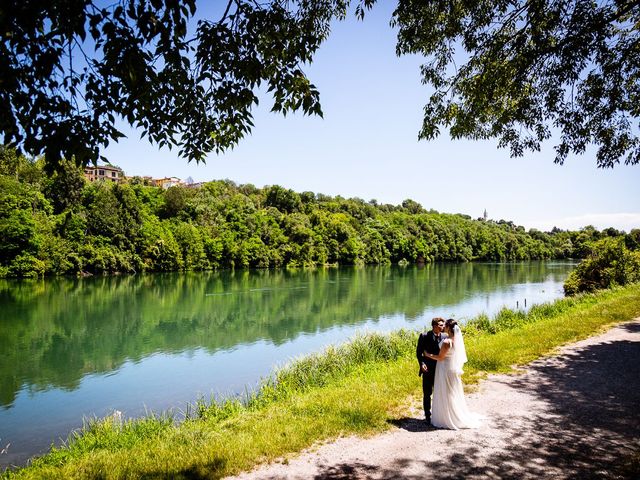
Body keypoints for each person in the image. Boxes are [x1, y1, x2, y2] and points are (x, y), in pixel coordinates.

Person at [424, 318, 483, 430]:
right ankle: (451, 413)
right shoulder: (454, 339)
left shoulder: (447, 342)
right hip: (451, 368)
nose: (442, 327)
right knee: (451, 392)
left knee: (445, 392)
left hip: (445, 369)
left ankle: (447, 417)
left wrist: (428, 355)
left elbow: (440, 357)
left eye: (444, 325)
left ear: (449, 328)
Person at [416, 317, 446, 423]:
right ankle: (427, 415)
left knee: (441, 392)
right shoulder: (424, 336)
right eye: (440, 325)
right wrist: (422, 364)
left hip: (441, 370)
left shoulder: (445, 336)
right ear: (434, 326)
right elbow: (419, 353)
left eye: (443, 325)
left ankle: (440, 415)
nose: (443, 327)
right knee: (427, 393)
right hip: (428, 370)